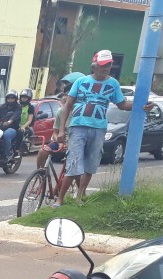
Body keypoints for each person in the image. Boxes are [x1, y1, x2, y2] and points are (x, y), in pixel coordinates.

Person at [57, 50, 153, 203]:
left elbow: (122, 105)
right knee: (74, 162)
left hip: (99, 128)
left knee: (90, 164)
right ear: (94, 66)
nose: (106, 68)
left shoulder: (113, 84)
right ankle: (59, 200)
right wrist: (62, 130)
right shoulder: (81, 82)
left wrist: (141, 105)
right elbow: (67, 106)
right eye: (102, 65)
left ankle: (80, 196)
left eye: (108, 65)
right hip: (78, 126)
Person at [36, 73, 83, 169]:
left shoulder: (80, 112)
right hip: (60, 143)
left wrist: (69, 144)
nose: (65, 98)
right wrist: (59, 141)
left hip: (74, 145)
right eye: (64, 95)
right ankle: (41, 175)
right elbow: (55, 132)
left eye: (68, 95)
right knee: (42, 152)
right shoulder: (61, 112)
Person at [0, 90, 23, 162]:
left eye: (12, 99)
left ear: (15, 99)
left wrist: (9, 122)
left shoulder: (18, 107)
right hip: (1, 127)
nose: (10, 100)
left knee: (6, 135)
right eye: (9, 98)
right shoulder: (3, 106)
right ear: (6, 99)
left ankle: (7, 154)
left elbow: (15, 115)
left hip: (13, 128)